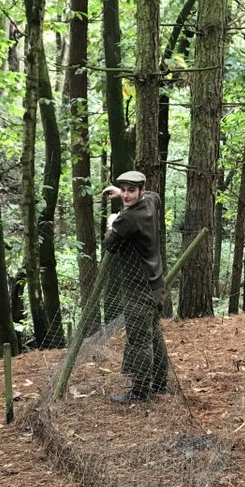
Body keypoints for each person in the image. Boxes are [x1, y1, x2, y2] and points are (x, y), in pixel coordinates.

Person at [102, 170, 170, 403]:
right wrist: (122, 193)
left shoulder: (128, 219)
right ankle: (160, 384)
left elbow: (109, 245)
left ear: (141, 190)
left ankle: (140, 392)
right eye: (125, 191)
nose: (127, 195)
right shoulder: (150, 202)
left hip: (138, 288)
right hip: (156, 283)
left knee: (140, 340)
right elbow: (156, 196)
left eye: (132, 191)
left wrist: (112, 223)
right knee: (154, 336)